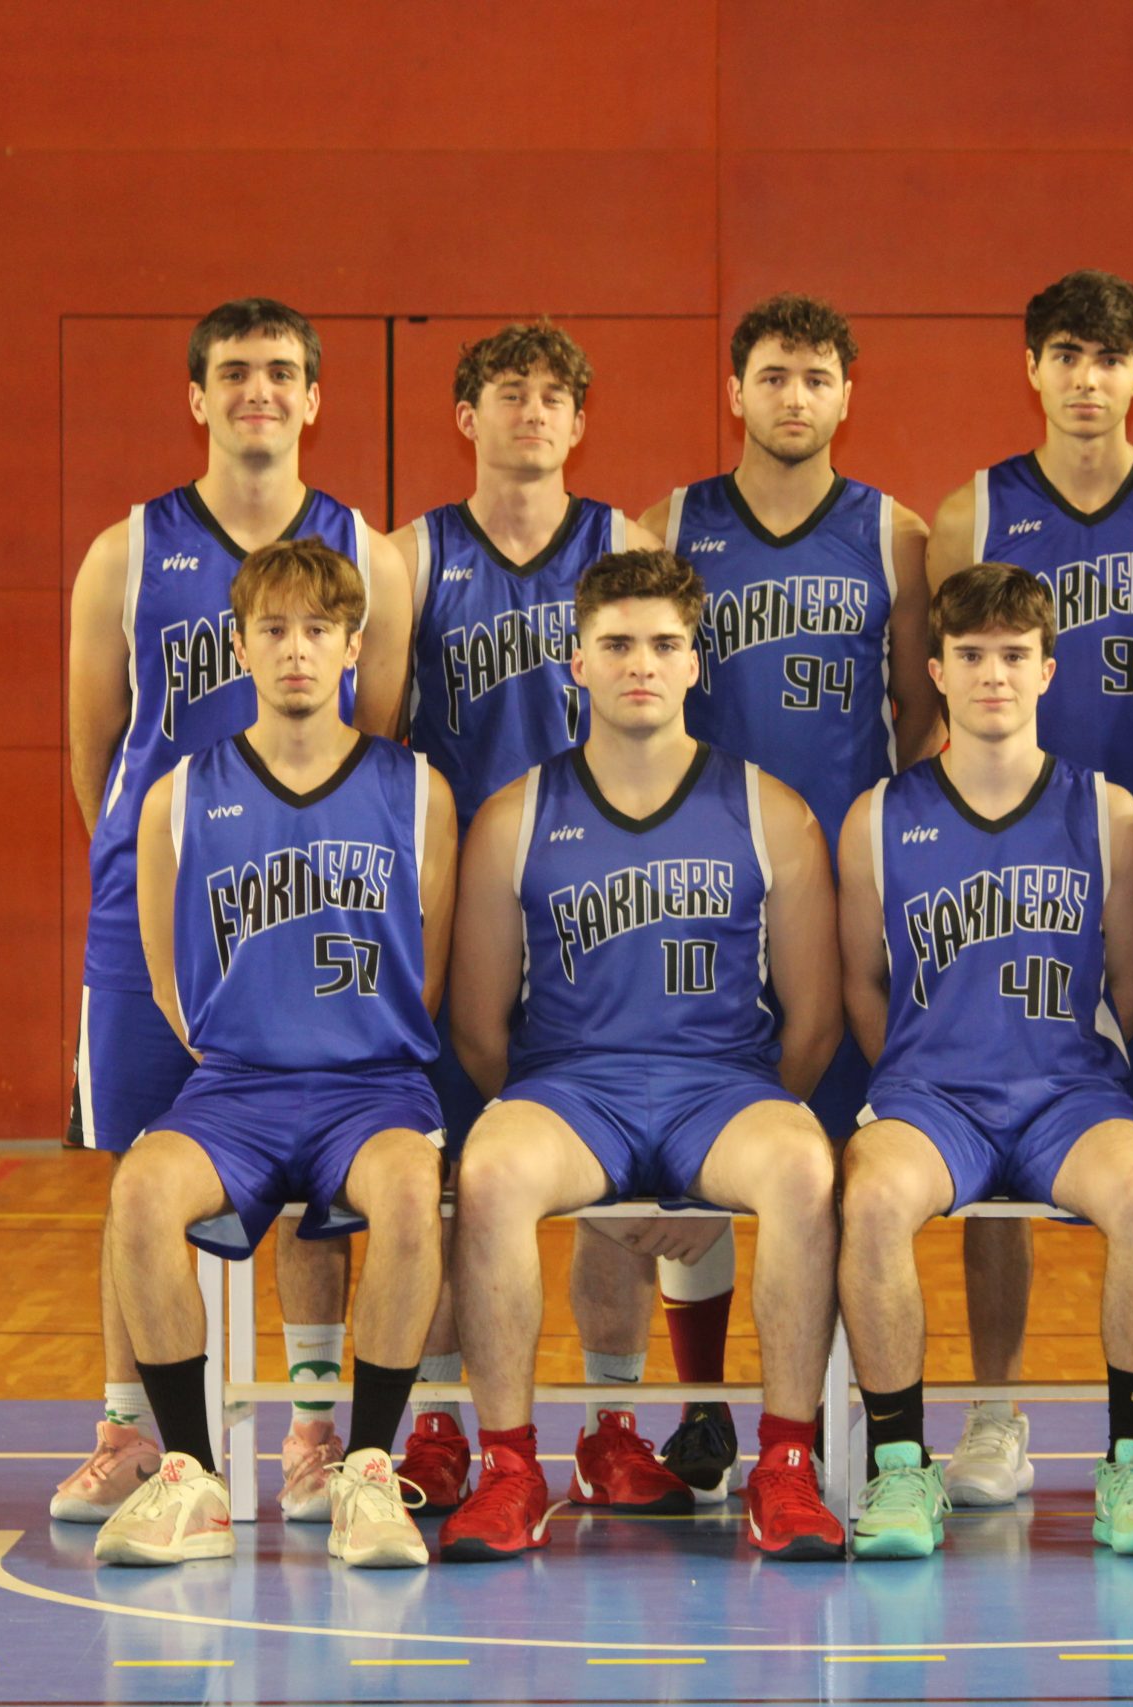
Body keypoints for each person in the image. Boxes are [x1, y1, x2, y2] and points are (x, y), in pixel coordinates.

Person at [59, 298, 410, 1528]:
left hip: (307, 900)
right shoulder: (126, 553)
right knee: (139, 1167)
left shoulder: (369, 555)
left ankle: (313, 1432)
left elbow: (380, 735)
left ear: (314, 397)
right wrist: (160, 856)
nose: (257, 389)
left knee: (319, 1153)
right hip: (154, 899)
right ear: (197, 397)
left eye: (280, 370)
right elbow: (97, 746)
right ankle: (130, 1434)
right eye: (233, 371)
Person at [434, 549, 848, 1564]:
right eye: (616, 644)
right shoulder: (515, 817)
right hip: (574, 1090)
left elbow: (814, 1021)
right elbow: (479, 1027)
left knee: (802, 1167)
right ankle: (510, 1468)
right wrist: (578, 1155)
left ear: (696, 662)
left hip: (722, 1088)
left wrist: (723, 1166)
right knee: (490, 1170)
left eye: (664, 644)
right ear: (576, 662)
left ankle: (787, 1465)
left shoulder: (772, 811)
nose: (641, 665)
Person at [597, 293, 937, 1503]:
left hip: (838, 876)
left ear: (848, 395)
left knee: (829, 1152)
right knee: (696, 1138)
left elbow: (920, 712)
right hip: (695, 877)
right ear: (734, 392)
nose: (795, 398)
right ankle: (701, 1411)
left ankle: (836, 1416)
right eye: (775, 376)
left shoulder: (895, 534)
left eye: (817, 377)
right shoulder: (672, 522)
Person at [924, 268, 1133, 1508]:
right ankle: (994, 1409)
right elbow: (929, 708)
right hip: (1011, 878)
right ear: (1032, 369)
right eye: (1066, 354)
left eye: (1110, 358)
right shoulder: (973, 512)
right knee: (993, 1151)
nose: (1087, 379)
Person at [91, 539, 454, 1570]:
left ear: (353, 646)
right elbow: (168, 980)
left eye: (318, 629)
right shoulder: (177, 795)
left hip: (372, 1088)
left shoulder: (416, 791)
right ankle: (192, 1476)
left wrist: (353, 1041)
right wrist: (242, 1045)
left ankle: (367, 1469)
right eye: (275, 629)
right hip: (235, 1090)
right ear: (240, 647)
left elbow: (429, 970)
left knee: (410, 1187)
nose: (297, 649)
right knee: (139, 1188)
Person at [835, 564, 1133, 1561]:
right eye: (972, 655)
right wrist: (920, 1067)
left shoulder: (1110, 814)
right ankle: (902, 1469)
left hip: (1067, 1093)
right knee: (871, 1198)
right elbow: (863, 982)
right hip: (932, 1096)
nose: (994, 674)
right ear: (936, 672)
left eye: (1014, 655)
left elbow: (1131, 980)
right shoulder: (877, 817)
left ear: (1046, 671)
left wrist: (1061, 1060)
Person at [387, 319, 668, 1514]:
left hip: (600, 896)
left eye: (555, 396)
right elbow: (378, 743)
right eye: (510, 392)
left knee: (617, 1176)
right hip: (463, 896)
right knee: (454, 1176)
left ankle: (611, 1422)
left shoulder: (625, 543)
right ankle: (441, 1427)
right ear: (468, 417)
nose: (534, 412)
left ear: (580, 421)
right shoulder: (413, 556)